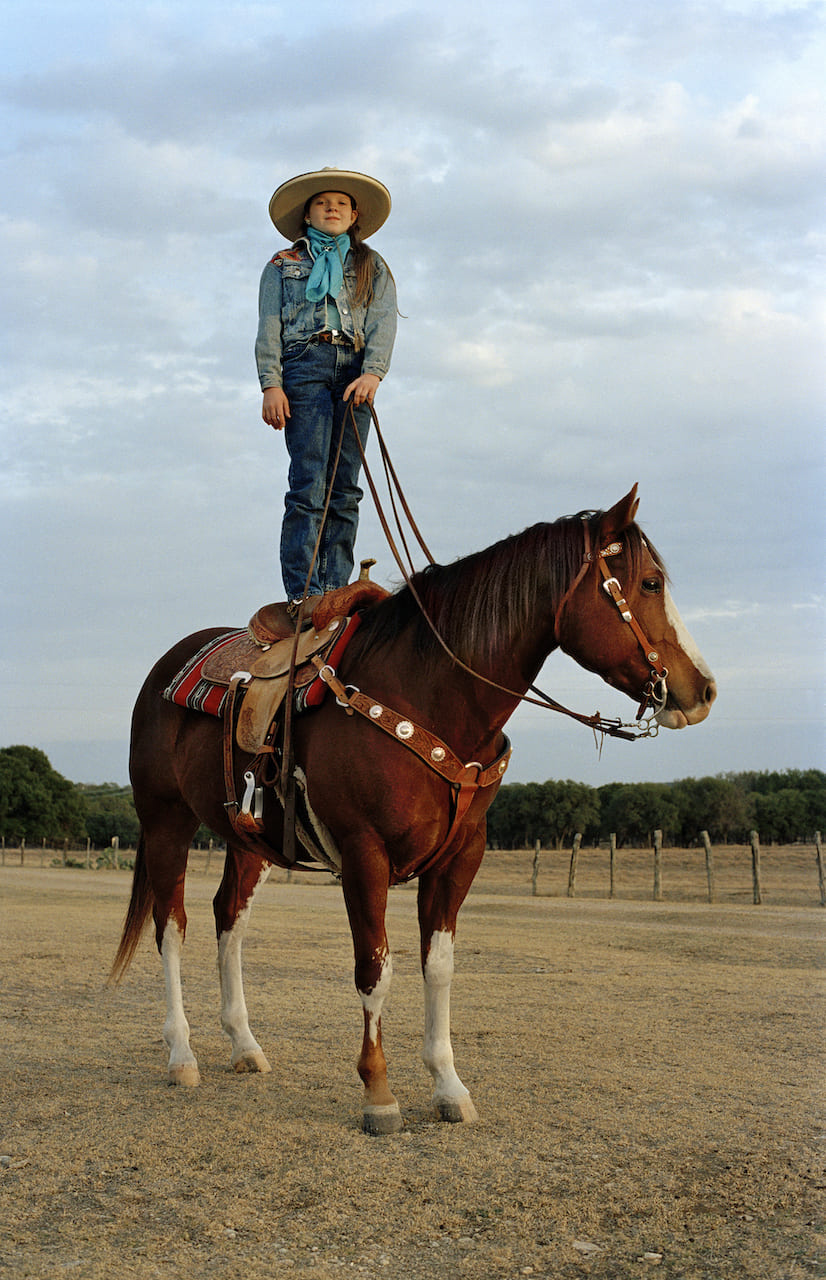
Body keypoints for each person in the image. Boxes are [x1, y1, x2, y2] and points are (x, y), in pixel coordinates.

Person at [255, 166, 397, 607]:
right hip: (304, 366)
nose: (331, 208)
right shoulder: (283, 264)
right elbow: (269, 326)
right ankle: (305, 593)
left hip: (354, 370)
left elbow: (383, 321)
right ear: (307, 216)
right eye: (322, 203)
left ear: (354, 215)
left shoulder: (371, 265)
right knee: (309, 480)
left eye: (340, 203)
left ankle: (335, 588)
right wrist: (270, 385)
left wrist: (372, 373)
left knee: (345, 486)